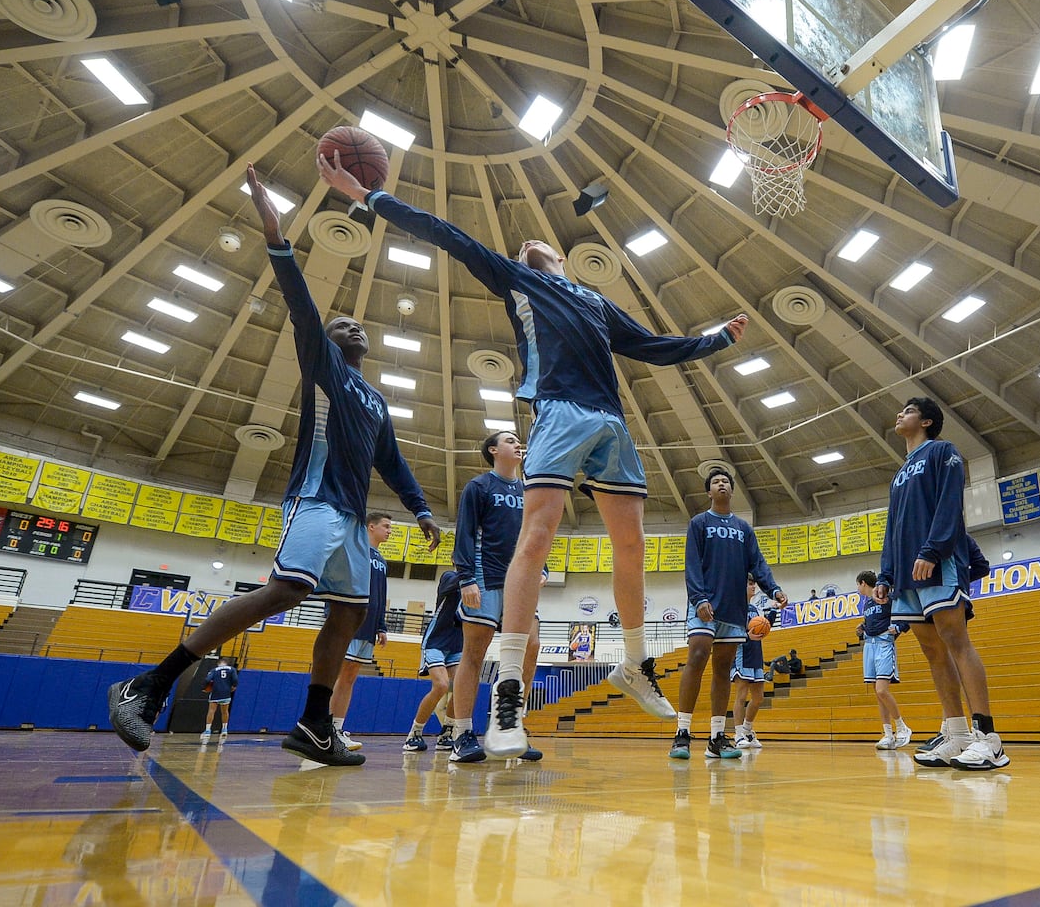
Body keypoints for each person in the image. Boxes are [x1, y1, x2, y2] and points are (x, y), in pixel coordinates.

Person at [319, 152, 749, 759]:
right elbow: (448, 236)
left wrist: (715, 338)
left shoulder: (595, 302)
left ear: (565, 258)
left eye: (536, 242)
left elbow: (655, 346)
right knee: (538, 538)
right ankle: (510, 694)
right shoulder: (520, 279)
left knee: (633, 547)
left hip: (611, 422)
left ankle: (632, 662)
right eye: (521, 247)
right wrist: (370, 198)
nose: (525, 243)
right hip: (559, 412)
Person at [108, 164, 441, 768]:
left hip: (351, 516)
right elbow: (302, 305)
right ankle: (148, 685)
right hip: (313, 502)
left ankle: (315, 724)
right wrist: (275, 233)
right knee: (287, 589)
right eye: (343, 323)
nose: (353, 324)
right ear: (330, 341)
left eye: (356, 322)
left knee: (349, 610)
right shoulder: (325, 367)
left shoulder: (376, 401)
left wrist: (419, 510)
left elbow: (391, 461)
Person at [876, 397, 1008, 770]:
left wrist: (933, 550)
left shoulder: (943, 452)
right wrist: (886, 574)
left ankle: (989, 739)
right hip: (905, 576)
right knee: (933, 653)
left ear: (928, 421)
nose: (900, 414)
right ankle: (957, 734)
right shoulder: (899, 474)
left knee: (955, 641)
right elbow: (893, 527)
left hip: (937, 561)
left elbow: (950, 504)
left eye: (909, 410)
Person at [670, 468, 787, 760]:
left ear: (732, 491)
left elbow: (757, 563)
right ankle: (682, 732)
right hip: (705, 605)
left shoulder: (744, 529)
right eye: (715, 482)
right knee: (697, 657)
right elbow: (692, 564)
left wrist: (773, 589)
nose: (721, 484)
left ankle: (717, 737)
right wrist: (698, 598)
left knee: (723, 671)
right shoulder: (699, 523)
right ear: (708, 492)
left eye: (725, 482)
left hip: (734, 610)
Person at [448, 430, 546, 764]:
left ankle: (511, 724)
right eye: (509, 440)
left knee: (531, 646)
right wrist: (465, 578)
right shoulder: (479, 487)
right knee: (474, 652)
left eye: (518, 440)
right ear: (493, 450)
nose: (517, 444)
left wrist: (541, 567)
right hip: (483, 573)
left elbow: (535, 533)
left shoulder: (529, 489)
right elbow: (464, 531)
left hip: (521, 578)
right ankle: (461, 733)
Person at [330, 512, 393, 751]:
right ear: (371, 527)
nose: (389, 531)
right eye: (385, 526)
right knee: (341, 674)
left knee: (350, 676)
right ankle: (325, 727)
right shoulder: (354, 550)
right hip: (349, 621)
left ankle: (336, 727)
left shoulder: (382, 560)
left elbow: (381, 594)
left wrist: (381, 626)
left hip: (368, 626)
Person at [403, 569, 465, 753]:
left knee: (461, 687)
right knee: (441, 686)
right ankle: (414, 733)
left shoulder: (481, 584)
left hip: (458, 642)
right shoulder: (449, 576)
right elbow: (456, 582)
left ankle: (447, 732)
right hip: (436, 641)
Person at [855, 569, 912, 750]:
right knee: (878, 694)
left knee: (882, 690)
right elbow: (874, 622)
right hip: (869, 646)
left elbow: (906, 615)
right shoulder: (866, 604)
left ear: (863, 583)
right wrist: (862, 627)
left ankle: (902, 727)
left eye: (858, 585)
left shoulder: (886, 595)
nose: (857, 588)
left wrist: (899, 627)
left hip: (884, 644)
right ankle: (888, 734)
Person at [731, 577, 766, 749]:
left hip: (757, 654)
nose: (753, 586)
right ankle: (738, 735)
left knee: (759, 697)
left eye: (754, 584)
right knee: (742, 695)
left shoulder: (757, 609)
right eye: (749, 584)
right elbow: (730, 633)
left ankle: (747, 730)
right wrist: (747, 636)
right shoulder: (735, 607)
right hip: (741, 654)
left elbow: (762, 628)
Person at [200, 656, 237, 741]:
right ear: (226, 663)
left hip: (216, 692)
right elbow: (235, 679)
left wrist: (204, 688)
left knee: (211, 711)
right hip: (226, 692)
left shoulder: (214, 670)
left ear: (218, 664)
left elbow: (207, 679)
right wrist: (234, 686)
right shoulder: (232, 669)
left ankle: (208, 730)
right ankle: (224, 729)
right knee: (225, 712)